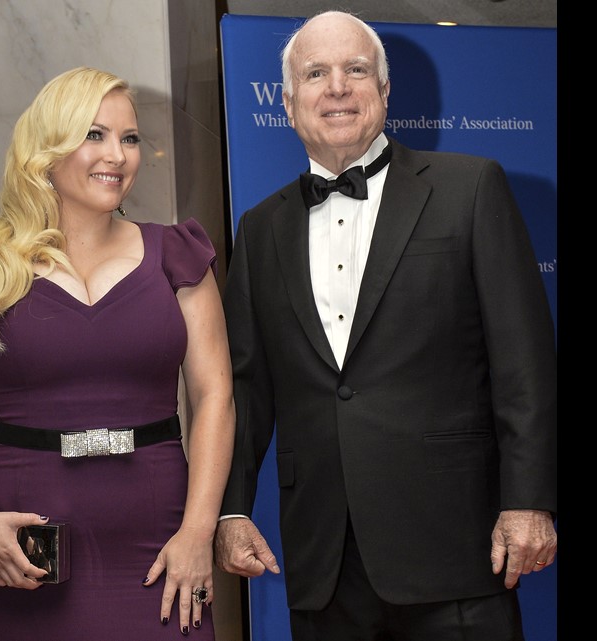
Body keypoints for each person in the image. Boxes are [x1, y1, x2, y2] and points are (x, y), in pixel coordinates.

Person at [214, 11, 557, 641]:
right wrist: (231, 509)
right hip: (323, 559)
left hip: (456, 550)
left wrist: (529, 499)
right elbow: (245, 388)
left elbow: (524, 363)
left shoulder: (470, 189)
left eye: (355, 70)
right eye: (315, 74)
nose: (337, 88)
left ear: (385, 90)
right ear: (288, 103)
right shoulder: (260, 230)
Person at [0, 66, 234, 639]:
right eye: (94, 134)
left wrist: (197, 531)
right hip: (30, 539)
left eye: (129, 138)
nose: (117, 154)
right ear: (47, 149)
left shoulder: (177, 256)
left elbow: (215, 398)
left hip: (162, 533)